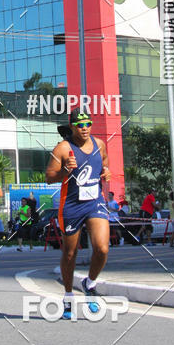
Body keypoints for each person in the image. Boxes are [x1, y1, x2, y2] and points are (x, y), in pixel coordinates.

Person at [45, 109, 110, 319]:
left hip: (94, 202)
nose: (85, 128)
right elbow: (49, 177)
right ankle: (68, 295)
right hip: (71, 205)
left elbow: (105, 164)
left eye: (88, 124)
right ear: (72, 126)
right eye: (80, 125)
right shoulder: (63, 148)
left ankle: (89, 283)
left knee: (102, 248)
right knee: (70, 253)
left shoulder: (99, 144)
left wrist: (106, 171)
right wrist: (65, 172)